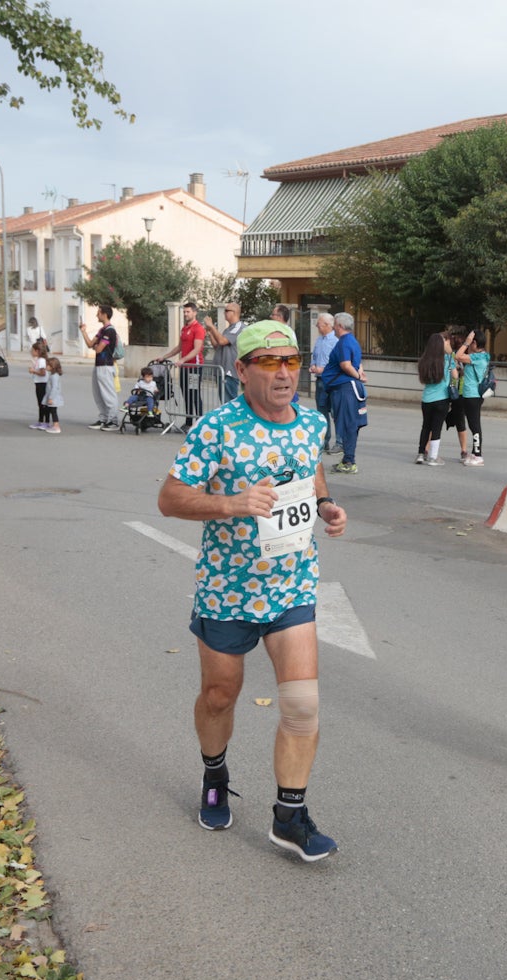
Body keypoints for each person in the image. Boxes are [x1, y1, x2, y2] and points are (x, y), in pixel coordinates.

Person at [155, 319, 349, 861]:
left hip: (291, 586)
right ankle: (215, 774)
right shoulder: (216, 429)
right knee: (220, 696)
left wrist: (326, 505)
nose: (284, 373)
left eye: (291, 361)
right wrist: (232, 503)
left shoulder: (311, 423)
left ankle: (289, 816)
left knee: (302, 704)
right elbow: (170, 499)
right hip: (228, 590)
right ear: (241, 370)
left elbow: (310, 471)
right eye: (269, 362)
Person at [320, 312, 365, 474]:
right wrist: (359, 374)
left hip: (344, 389)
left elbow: (346, 364)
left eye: (335, 325)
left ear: (339, 326)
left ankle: (350, 461)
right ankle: (347, 459)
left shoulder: (344, 342)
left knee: (347, 425)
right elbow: (357, 363)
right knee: (350, 424)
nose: (333, 328)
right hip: (350, 388)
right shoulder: (353, 341)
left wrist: (358, 376)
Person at [415, 331, 454, 465]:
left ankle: (420, 454)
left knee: (426, 426)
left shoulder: (423, 361)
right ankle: (433, 457)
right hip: (442, 399)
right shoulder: (447, 359)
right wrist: (450, 352)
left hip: (426, 399)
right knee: (436, 428)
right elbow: (455, 375)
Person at [452, 329, 490, 466]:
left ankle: (478, 456)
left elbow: (457, 356)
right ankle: (474, 454)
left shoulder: (478, 358)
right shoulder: (482, 356)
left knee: (475, 426)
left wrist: (466, 343)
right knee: (474, 425)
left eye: (470, 342)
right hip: (473, 395)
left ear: (474, 343)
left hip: (473, 395)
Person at [166, 301, 206, 431]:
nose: (185, 314)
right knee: (186, 395)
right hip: (185, 368)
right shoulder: (184, 329)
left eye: (188, 312)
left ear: (194, 313)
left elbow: (197, 349)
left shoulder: (198, 328)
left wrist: (183, 359)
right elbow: (179, 347)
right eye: (184, 312)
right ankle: (188, 422)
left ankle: (199, 423)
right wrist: (165, 357)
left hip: (194, 367)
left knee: (194, 394)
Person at [80, 305, 121, 430]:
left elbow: (98, 349)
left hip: (106, 365)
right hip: (98, 365)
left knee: (108, 394)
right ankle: (104, 418)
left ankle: (113, 421)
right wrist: (83, 331)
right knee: (98, 393)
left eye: (98, 313)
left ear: (105, 314)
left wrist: (96, 345)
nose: (96, 315)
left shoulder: (110, 331)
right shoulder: (102, 330)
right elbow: (90, 344)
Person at [308, 312, 338, 452]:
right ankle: (324, 441)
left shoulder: (335, 341)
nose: (317, 326)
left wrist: (323, 369)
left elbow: (337, 363)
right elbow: (314, 356)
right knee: (321, 412)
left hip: (332, 381)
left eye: (319, 324)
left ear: (327, 325)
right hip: (320, 380)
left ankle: (340, 443)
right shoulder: (319, 340)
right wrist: (313, 365)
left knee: (335, 413)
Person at [204, 301, 244, 402]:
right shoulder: (229, 329)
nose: (224, 313)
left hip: (229, 372)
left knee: (229, 403)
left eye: (226, 310)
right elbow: (217, 346)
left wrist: (212, 326)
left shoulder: (238, 327)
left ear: (234, 312)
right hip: (222, 371)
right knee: (224, 402)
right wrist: (211, 333)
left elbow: (222, 341)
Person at [28, 339, 51, 430]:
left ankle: (46, 422)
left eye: (32, 350)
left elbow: (43, 373)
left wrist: (33, 371)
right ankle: (41, 421)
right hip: (39, 383)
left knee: (43, 403)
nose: (31, 352)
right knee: (40, 403)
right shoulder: (38, 360)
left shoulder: (41, 360)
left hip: (42, 384)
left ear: (37, 351)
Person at [40, 354, 63, 433]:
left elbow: (54, 388)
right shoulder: (53, 375)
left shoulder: (54, 376)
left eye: (47, 365)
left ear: (52, 366)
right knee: (51, 410)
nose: (46, 367)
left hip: (54, 398)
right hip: (53, 397)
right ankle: (54, 425)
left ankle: (56, 427)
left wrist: (50, 398)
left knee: (53, 411)